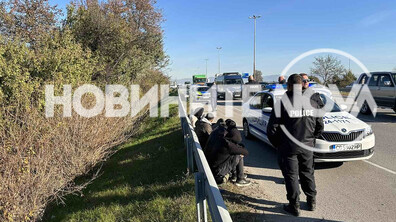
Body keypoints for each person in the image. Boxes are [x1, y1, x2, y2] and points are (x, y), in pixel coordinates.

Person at [267, 74, 324, 217]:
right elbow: (320, 126)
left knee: (291, 176)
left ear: (290, 85)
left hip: (288, 147)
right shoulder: (313, 101)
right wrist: (311, 140)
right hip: (307, 146)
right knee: (307, 173)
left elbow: (272, 129)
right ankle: (311, 201)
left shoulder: (282, 103)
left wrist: (278, 145)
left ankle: (294, 205)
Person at [205, 119, 250, 186]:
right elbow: (246, 152)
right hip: (217, 175)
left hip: (209, 166)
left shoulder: (219, 136)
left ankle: (234, 176)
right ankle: (240, 179)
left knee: (232, 155)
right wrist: (239, 147)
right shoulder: (229, 145)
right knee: (238, 155)